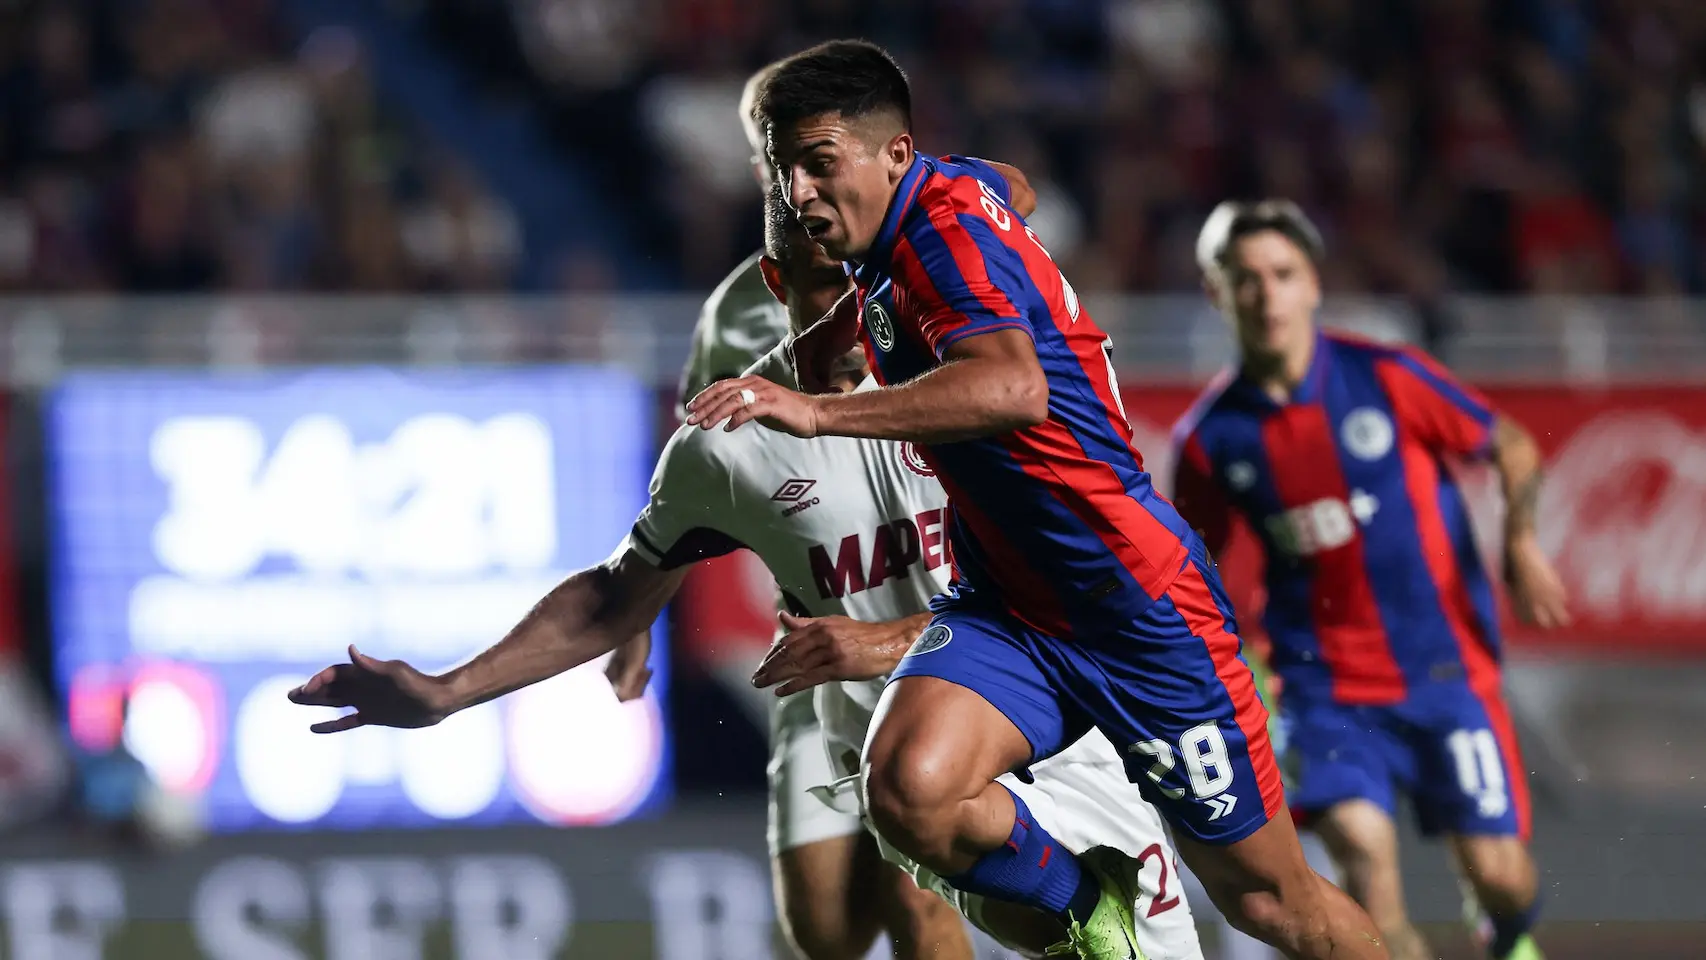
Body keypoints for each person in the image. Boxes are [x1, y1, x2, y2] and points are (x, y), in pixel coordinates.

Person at [286, 187, 1202, 960]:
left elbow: (1074, 595)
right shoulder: (732, 445)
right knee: (833, 926)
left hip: (1051, 721)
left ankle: (1093, 901)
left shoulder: (976, 383)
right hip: (894, 742)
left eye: (865, 289)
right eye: (822, 291)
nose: (853, 318)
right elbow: (611, 593)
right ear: (775, 285)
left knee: (1237, 910)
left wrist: (874, 640)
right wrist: (450, 691)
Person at [687, 40, 1385, 960]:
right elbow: (1007, 183)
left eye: (820, 167)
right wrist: (876, 296)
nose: (800, 195)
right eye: (785, 173)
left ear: (893, 155)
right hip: (1014, 606)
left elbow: (1014, 390)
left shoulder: (938, 239)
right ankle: (1090, 907)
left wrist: (817, 412)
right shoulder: (918, 205)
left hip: (1135, 606)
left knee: (1270, 904)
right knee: (905, 790)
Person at [671, 59, 1031, 959]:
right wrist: (637, 621)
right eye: (769, 154)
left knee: (920, 890)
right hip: (826, 637)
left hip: (932, 609)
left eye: (800, 150)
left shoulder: (901, 252)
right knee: (827, 933)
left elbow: (1009, 193)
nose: (787, 175)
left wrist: (952, 201)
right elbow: (695, 473)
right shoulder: (736, 310)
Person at [1169, 200, 1567, 960]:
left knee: (1501, 874)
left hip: (1447, 670)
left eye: (1282, 275)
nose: (1266, 295)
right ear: (1216, 292)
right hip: (1327, 689)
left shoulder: (1388, 378)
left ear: (1313, 284)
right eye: (1243, 278)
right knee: (1365, 866)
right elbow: (1195, 569)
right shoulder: (1211, 439)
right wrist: (1239, 658)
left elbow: (1511, 444)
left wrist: (1519, 543)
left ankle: (1507, 930)